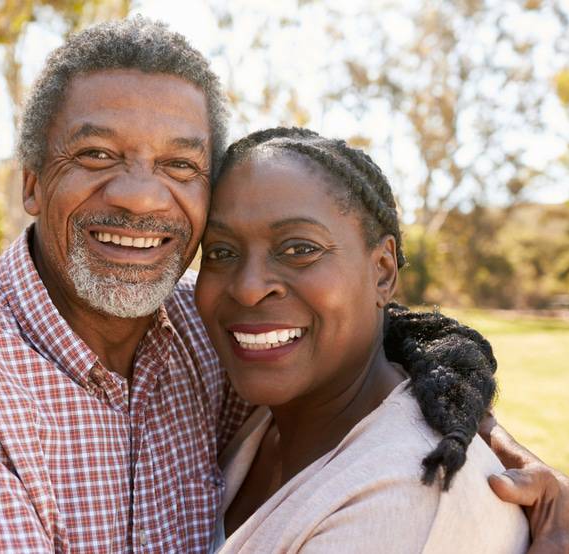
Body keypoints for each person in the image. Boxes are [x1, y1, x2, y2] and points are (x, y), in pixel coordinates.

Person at [0, 18, 569, 553]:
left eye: (181, 166)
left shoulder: (204, 336)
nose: (143, 198)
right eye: (95, 153)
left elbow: (360, 353)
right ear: (29, 184)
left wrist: (480, 432)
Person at [195, 127, 531, 552]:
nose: (247, 288)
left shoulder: (408, 498)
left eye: (299, 248)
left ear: (383, 271)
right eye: (221, 252)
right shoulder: (262, 424)